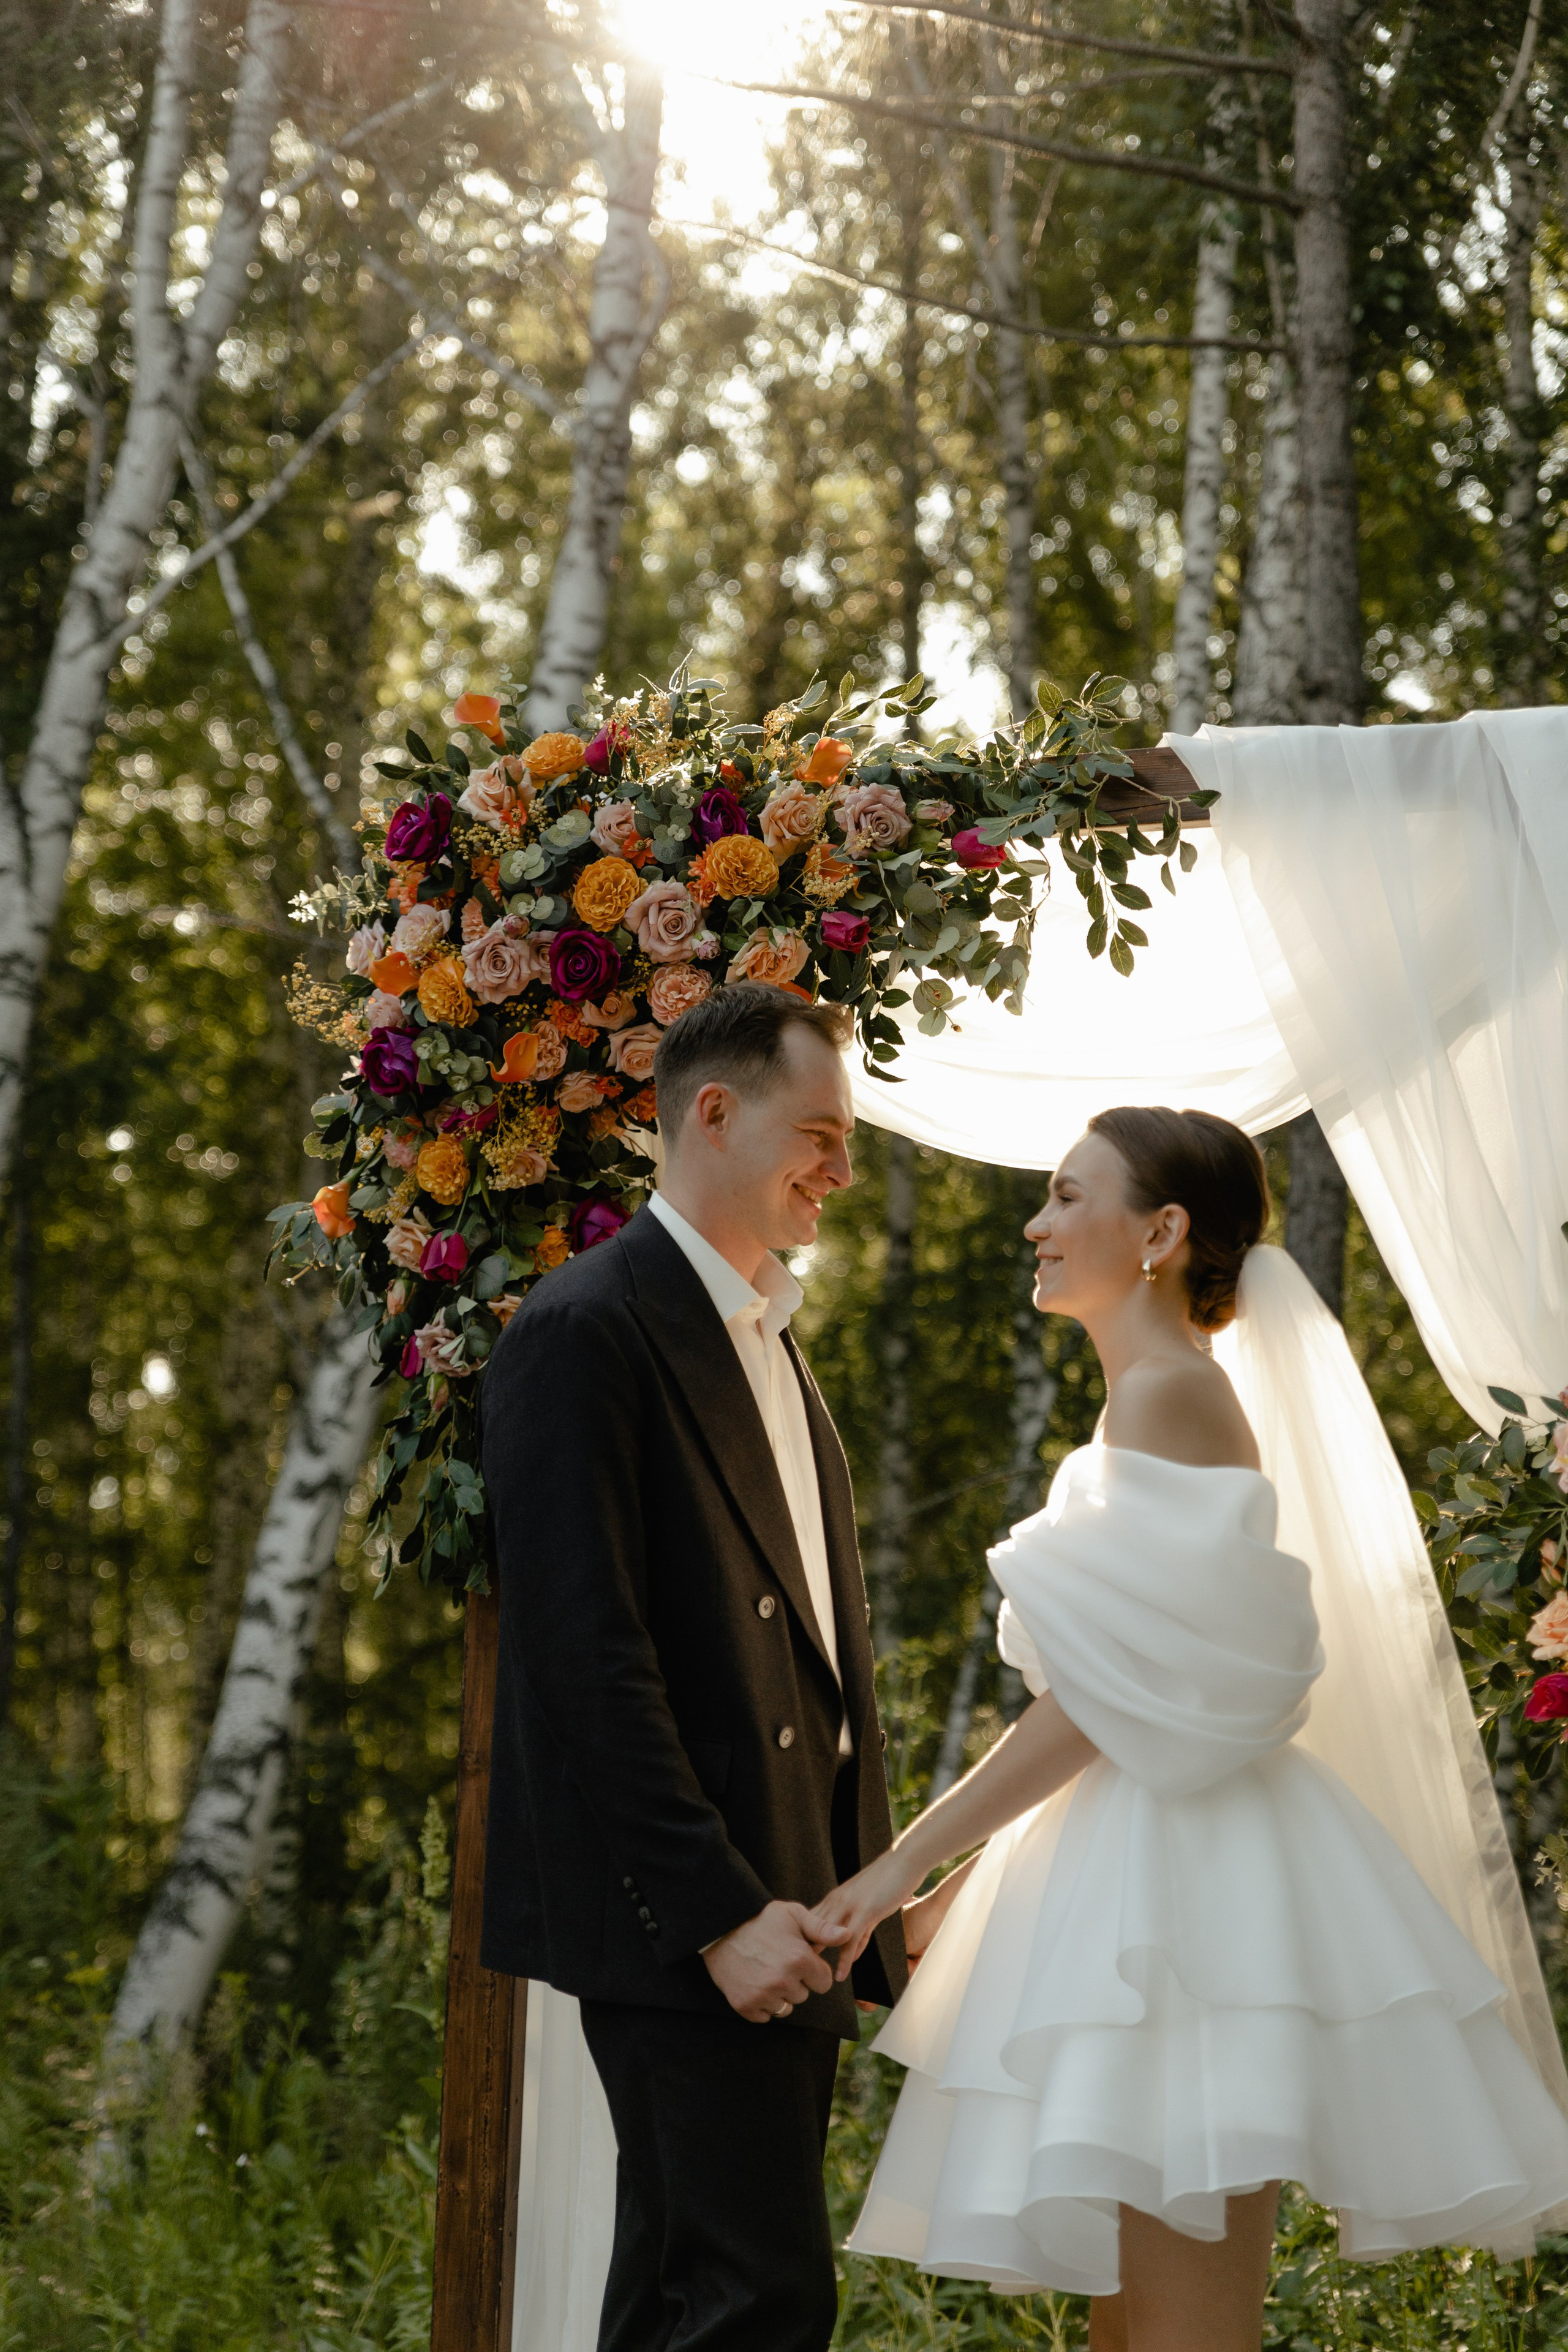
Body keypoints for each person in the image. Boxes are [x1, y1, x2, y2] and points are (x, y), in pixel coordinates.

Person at [806, 1106, 1568, 2352]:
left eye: (1065, 1196)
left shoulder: (1167, 1401)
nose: (1034, 1223)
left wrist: (902, 1867)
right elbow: (1131, 1712)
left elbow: (1103, 1707)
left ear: (1158, 1232)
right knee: (1132, 2335)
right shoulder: (1143, 1406)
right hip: (1148, 1878)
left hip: (1186, 1922)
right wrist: (957, 1897)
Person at [479, 979, 906, 2352]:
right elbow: (582, 1664)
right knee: (755, 2299)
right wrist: (720, 1914)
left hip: (788, 1910)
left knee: (686, 2296)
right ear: (712, 1114)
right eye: (821, 1132)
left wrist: (859, 1891)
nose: (841, 1168)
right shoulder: (581, 1331)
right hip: (695, 1922)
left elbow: (815, 1656)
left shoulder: (772, 1336)